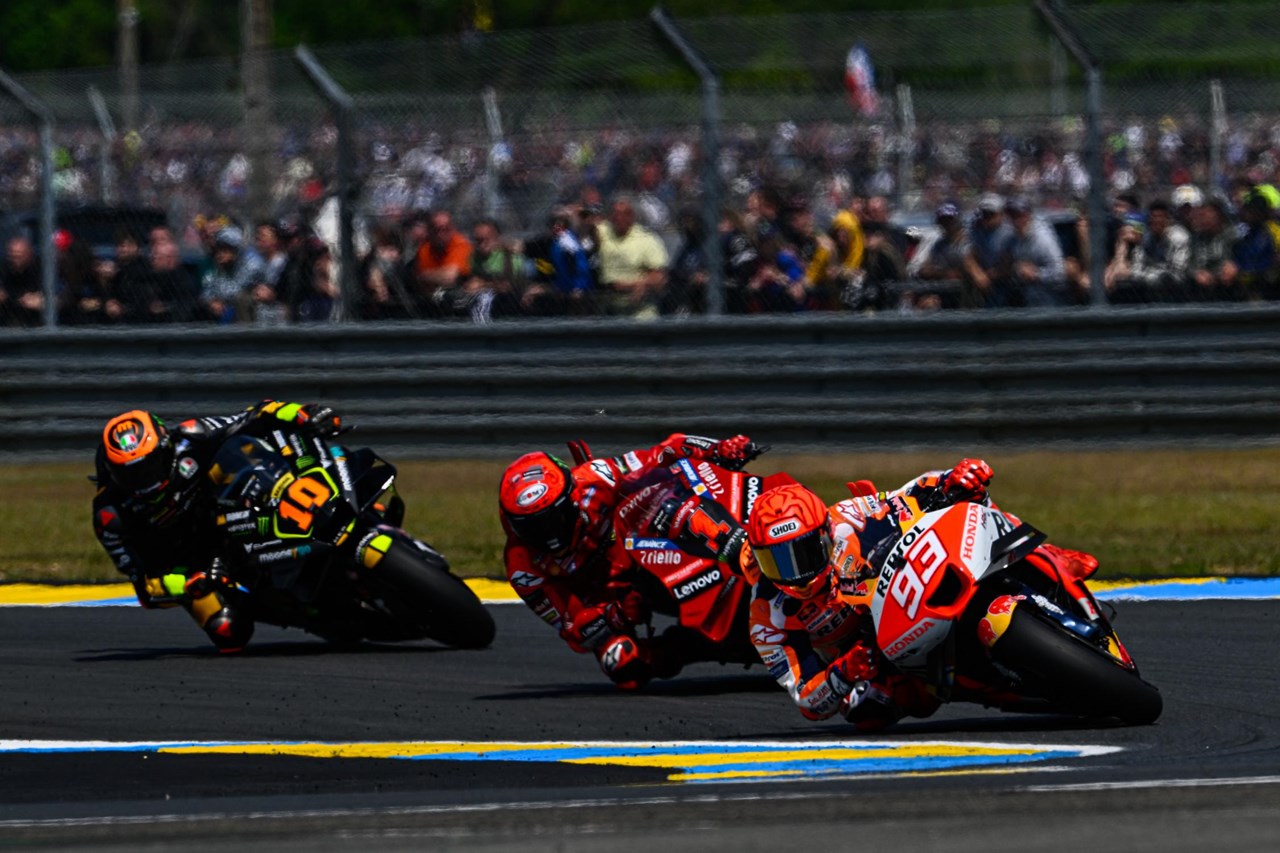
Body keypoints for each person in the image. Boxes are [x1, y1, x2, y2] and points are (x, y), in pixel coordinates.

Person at [744, 461, 998, 730]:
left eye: (805, 553)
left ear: (825, 533)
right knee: (864, 706)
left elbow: (909, 494)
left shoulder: (850, 517)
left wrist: (952, 480)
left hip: (912, 591)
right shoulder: (766, 617)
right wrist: (843, 672)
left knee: (970, 519)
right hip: (875, 654)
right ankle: (974, 688)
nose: (797, 575)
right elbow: (807, 700)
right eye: (776, 562)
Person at [499, 432, 756, 689]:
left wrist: (718, 449)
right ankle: (702, 646)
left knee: (679, 499)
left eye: (554, 520)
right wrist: (617, 614)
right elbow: (573, 630)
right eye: (533, 528)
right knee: (623, 665)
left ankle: (748, 536)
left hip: (645, 543)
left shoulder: (594, 479)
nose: (550, 537)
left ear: (572, 499)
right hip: (613, 597)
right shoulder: (524, 570)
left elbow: (662, 452)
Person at [91, 401, 343, 652]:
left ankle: (308, 495)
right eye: (130, 475)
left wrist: (301, 413)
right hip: (194, 566)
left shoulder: (192, 436)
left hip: (229, 513)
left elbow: (255, 414)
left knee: (242, 447)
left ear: (166, 447)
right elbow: (146, 589)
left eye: (150, 466)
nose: (144, 481)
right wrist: (189, 583)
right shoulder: (110, 517)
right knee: (228, 631)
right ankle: (282, 606)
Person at [596, 197, 669, 319]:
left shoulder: (646, 239)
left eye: (625, 214)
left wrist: (638, 284)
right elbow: (583, 219)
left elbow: (660, 277)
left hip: (639, 314)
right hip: (608, 313)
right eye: (615, 213)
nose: (619, 218)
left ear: (633, 216)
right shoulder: (603, 231)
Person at [1002, 196, 1069, 307]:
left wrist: (1036, 274)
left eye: (1019, 215)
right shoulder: (1013, 237)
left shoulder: (1043, 239)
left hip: (1050, 300)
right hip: (1026, 298)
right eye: (1012, 216)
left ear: (1028, 215)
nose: (1016, 220)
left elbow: (1060, 273)